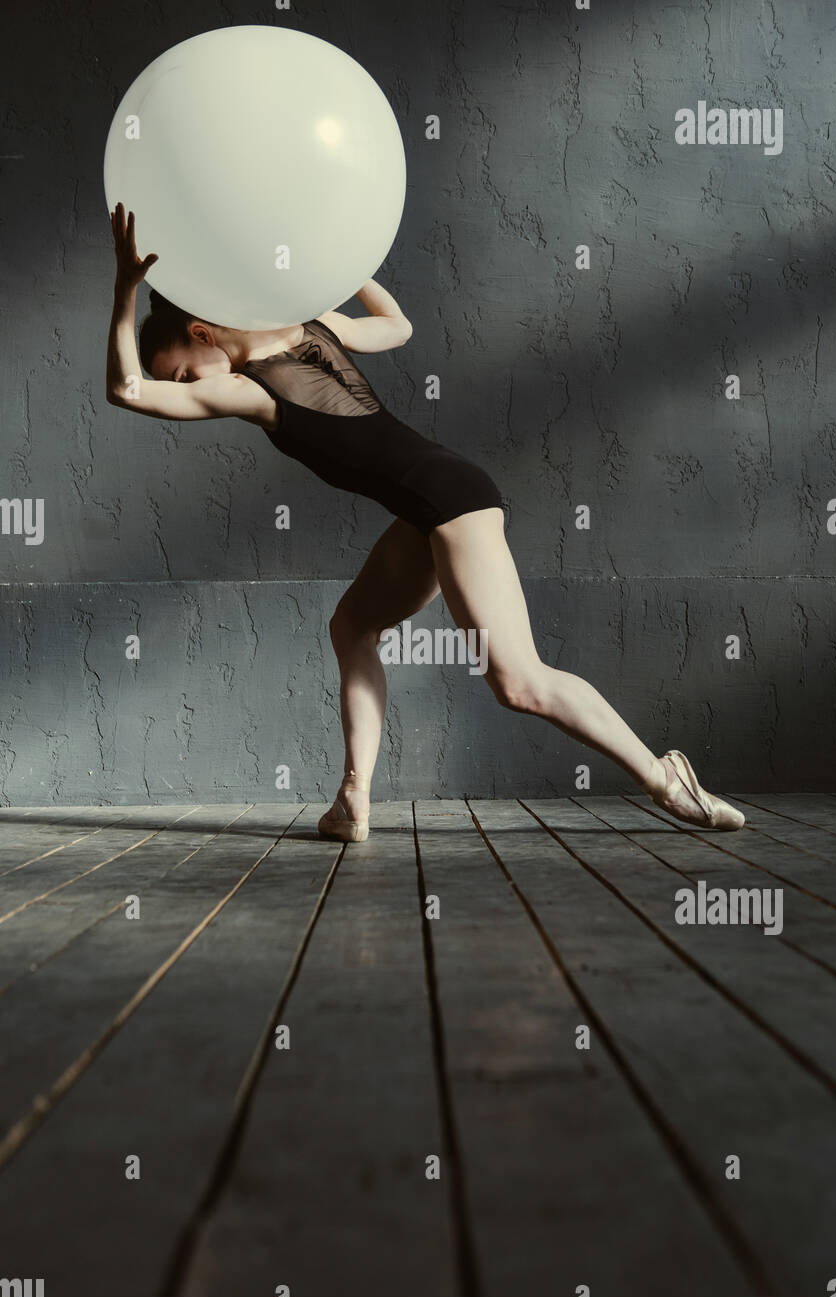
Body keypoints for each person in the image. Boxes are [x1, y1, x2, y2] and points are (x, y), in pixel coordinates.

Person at [106, 203, 745, 842]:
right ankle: (353, 799)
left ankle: (665, 777)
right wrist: (350, 275)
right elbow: (396, 325)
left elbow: (127, 391)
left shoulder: (253, 390)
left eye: (184, 373)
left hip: (450, 499)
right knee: (353, 626)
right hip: (427, 505)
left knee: (518, 682)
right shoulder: (311, 324)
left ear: (202, 333)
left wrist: (126, 288)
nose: (187, 387)